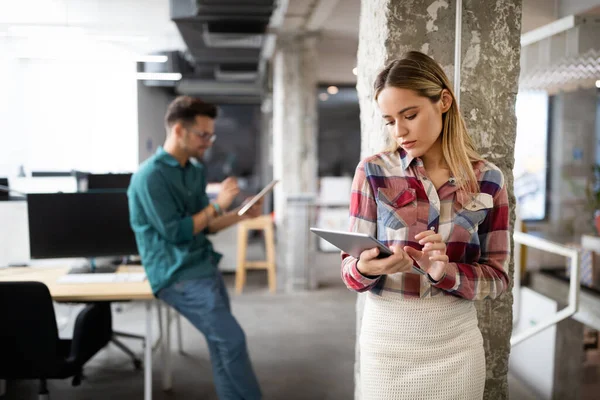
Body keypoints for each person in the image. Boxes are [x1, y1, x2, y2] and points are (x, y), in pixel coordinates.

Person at [341, 51, 510, 400]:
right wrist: (365, 267)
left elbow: (498, 278)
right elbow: (348, 271)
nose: (399, 131)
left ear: (443, 101)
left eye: (410, 115)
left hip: (456, 346)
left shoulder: (489, 179)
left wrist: (443, 271)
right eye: (389, 121)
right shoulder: (372, 171)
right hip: (386, 343)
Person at [127, 96, 262, 400]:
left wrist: (240, 214)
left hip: (203, 265)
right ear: (178, 131)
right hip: (176, 274)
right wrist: (218, 205)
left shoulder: (193, 169)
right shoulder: (150, 177)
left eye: (210, 135)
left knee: (222, 345)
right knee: (232, 341)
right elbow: (176, 232)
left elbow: (208, 225)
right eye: (203, 134)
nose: (208, 142)